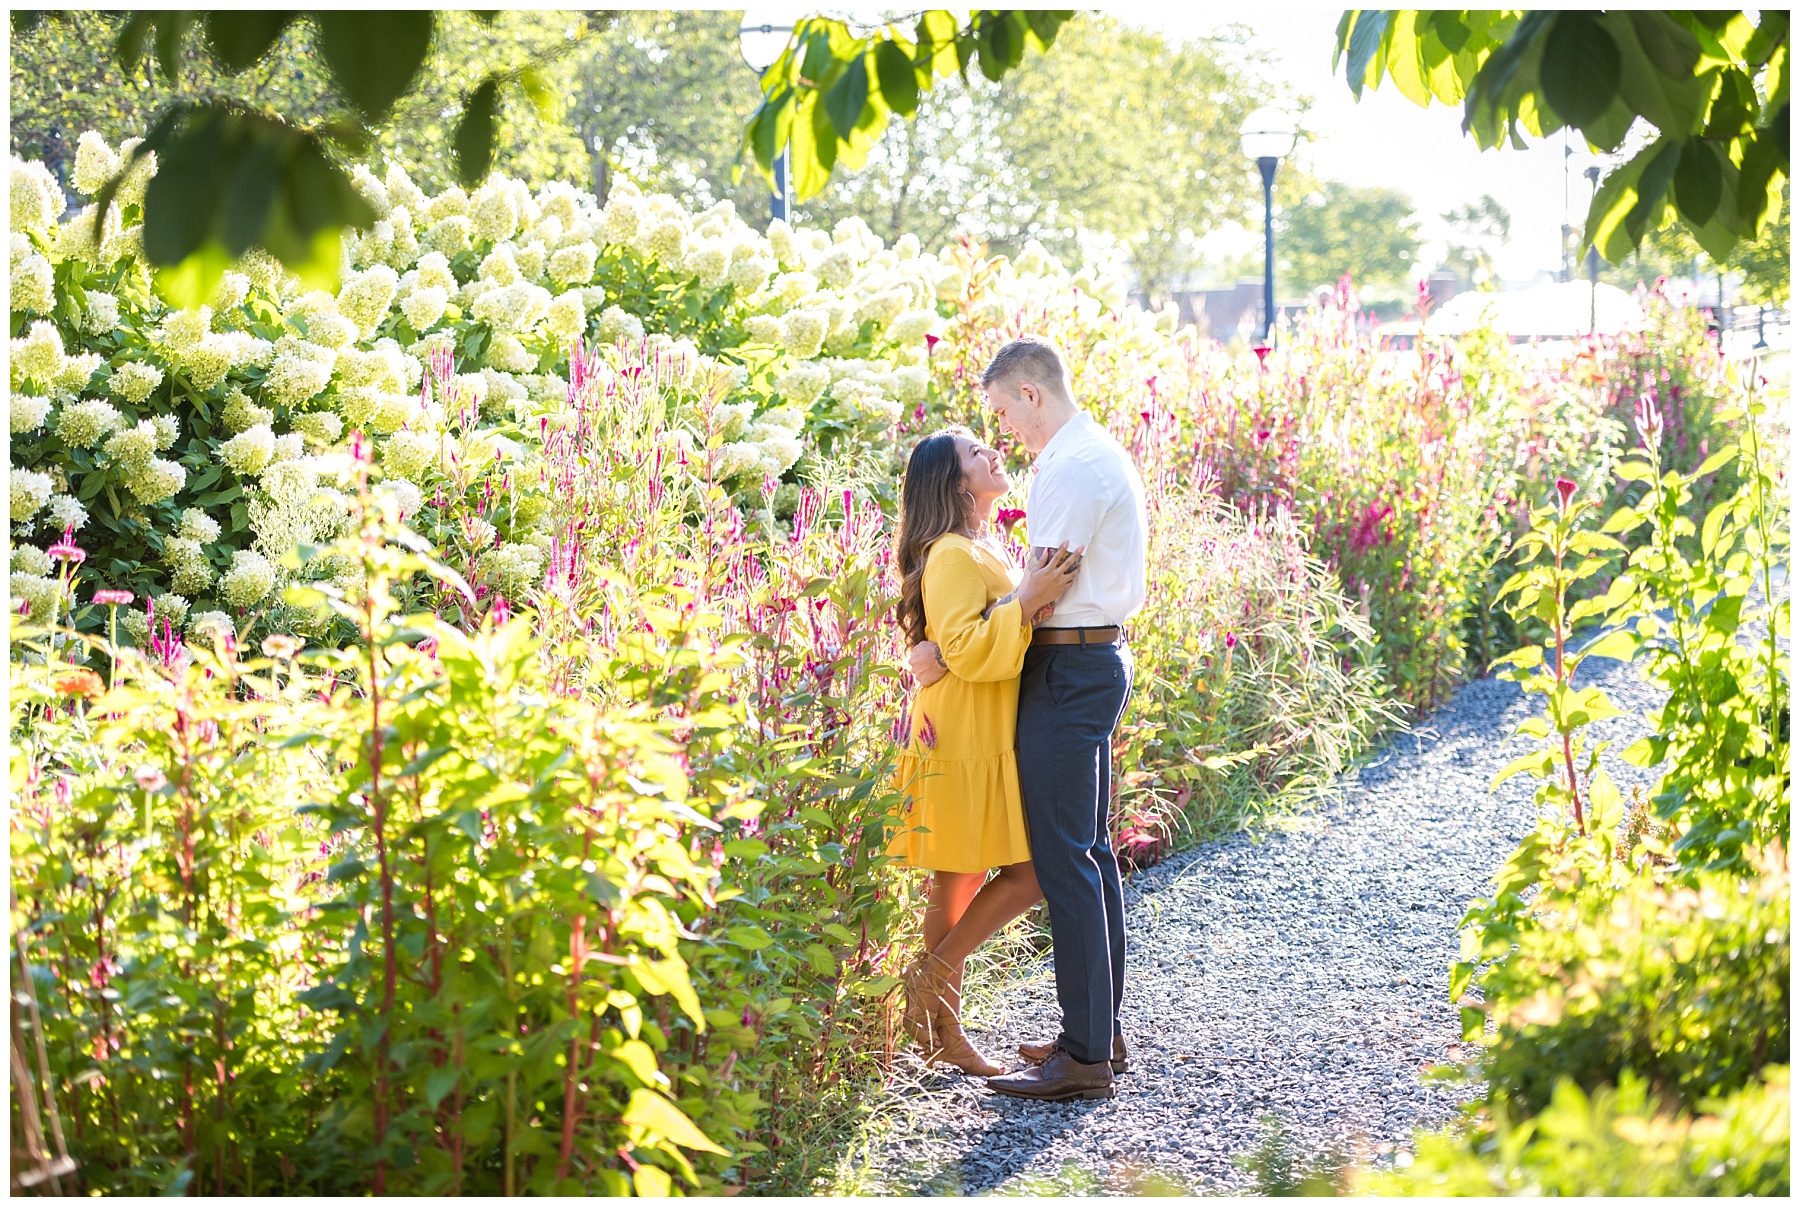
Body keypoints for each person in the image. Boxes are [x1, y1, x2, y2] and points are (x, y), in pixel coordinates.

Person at [909, 337, 1147, 1102]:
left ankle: (1084, 1053)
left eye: (1003, 412)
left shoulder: (1070, 469)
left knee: (1066, 860)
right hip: (1065, 667)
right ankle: (1093, 1035)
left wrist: (951, 647)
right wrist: (945, 649)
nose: (1003, 430)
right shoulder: (1079, 460)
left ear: (1031, 396)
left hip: (1069, 668)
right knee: (1085, 854)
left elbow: (1043, 587)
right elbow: (1009, 602)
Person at [889, 424, 1083, 1076]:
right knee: (1007, 876)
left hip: (979, 730)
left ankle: (942, 1015)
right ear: (954, 482)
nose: (989, 452)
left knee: (967, 881)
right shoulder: (949, 552)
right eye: (975, 452)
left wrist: (1020, 605)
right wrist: (1025, 601)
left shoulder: (973, 547)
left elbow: (960, 638)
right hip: (962, 736)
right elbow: (971, 647)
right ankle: (937, 994)